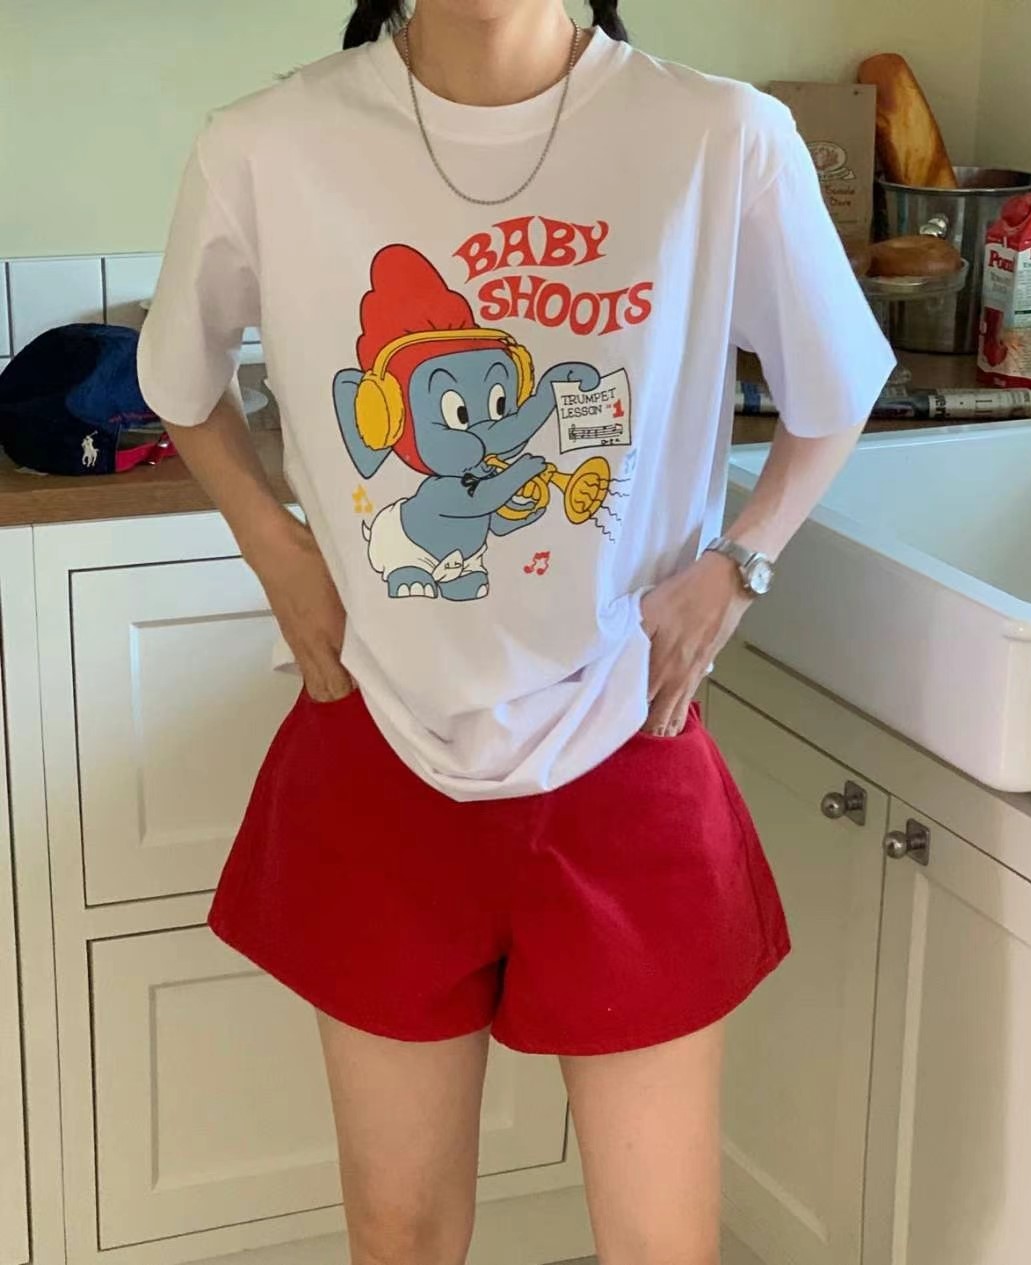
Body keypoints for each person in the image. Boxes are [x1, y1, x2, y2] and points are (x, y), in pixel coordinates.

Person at [137, 1, 895, 1261]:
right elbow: (178, 380)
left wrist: (741, 561)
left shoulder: (720, 136)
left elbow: (839, 380)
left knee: (663, 1244)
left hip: (628, 745)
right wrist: (276, 548)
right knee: (399, 1232)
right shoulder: (266, 145)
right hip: (379, 749)